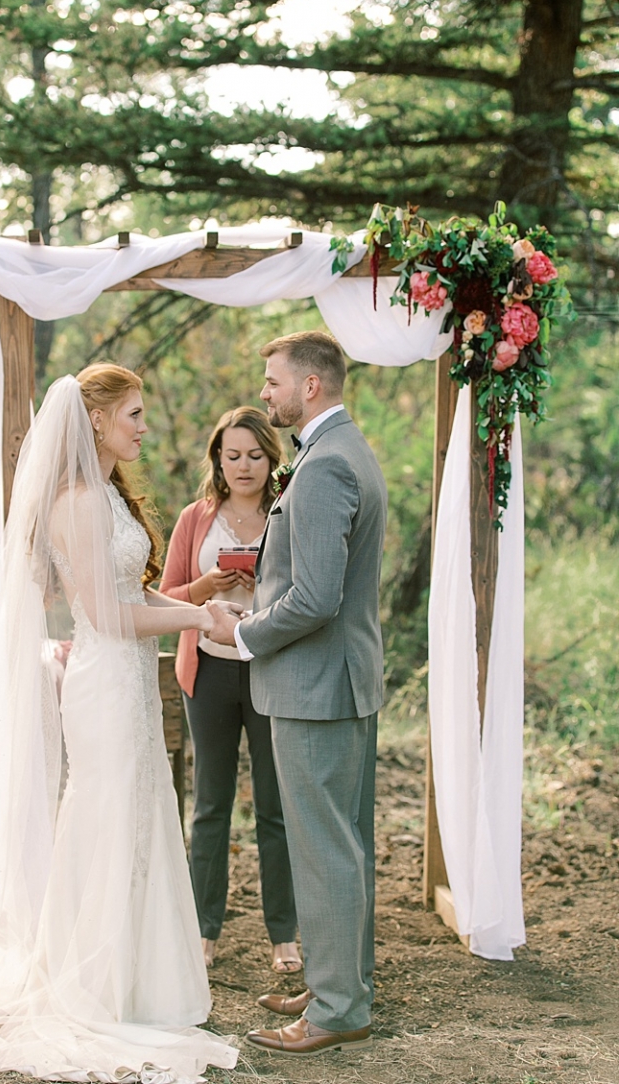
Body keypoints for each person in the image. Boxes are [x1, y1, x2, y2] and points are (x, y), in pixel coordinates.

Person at [0, 364, 238, 1081]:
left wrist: (198, 598)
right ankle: (90, 986)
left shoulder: (108, 497)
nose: (144, 427)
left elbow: (132, 586)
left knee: (141, 818)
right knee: (105, 822)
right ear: (96, 419)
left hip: (128, 685)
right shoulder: (78, 502)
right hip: (105, 684)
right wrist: (195, 617)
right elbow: (107, 615)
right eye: (135, 414)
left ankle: (135, 982)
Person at [206, 331, 387, 1057]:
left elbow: (313, 598)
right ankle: (343, 985)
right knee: (342, 844)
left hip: (316, 689)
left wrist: (246, 637)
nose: (267, 392)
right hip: (337, 683)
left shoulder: (323, 468)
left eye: (274, 380)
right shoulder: (342, 452)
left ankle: (340, 1008)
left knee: (325, 851)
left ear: (311, 385)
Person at [160, 407, 300, 975]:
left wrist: (262, 584)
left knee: (275, 808)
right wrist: (207, 586)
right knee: (210, 806)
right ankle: (203, 932)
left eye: (255, 455)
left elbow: (303, 588)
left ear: (272, 459)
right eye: (232, 454)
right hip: (210, 673)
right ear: (217, 458)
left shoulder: (289, 512)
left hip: (271, 670)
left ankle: (284, 935)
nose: (244, 466)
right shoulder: (196, 518)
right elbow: (165, 594)